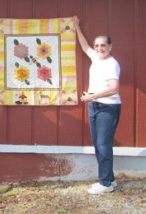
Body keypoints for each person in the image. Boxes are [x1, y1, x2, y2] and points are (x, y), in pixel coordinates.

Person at [73, 16, 121, 194]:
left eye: (104, 45)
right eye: (98, 45)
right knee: (99, 144)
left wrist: (92, 97)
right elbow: (84, 46)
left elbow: (114, 89)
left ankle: (105, 184)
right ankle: (110, 179)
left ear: (110, 47)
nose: (100, 48)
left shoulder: (111, 64)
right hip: (95, 106)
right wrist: (77, 26)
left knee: (103, 145)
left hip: (108, 107)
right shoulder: (96, 57)